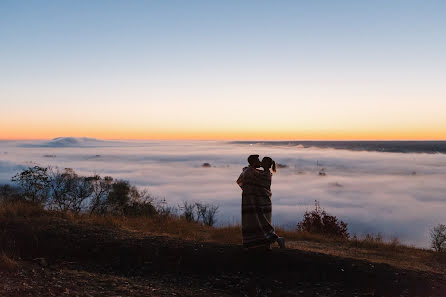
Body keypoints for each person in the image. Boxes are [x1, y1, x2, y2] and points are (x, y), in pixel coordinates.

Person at [237, 155, 285, 250]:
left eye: (261, 161)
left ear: (266, 164)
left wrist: (250, 168)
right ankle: (264, 245)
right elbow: (246, 177)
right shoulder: (258, 173)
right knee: (258, 223)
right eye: (258, 160)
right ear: (254, 162)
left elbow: (244, 178)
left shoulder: (261, 174)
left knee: (263, 224)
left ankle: (276, 240)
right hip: (257, 203)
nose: (260, 162)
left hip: (259, 203)